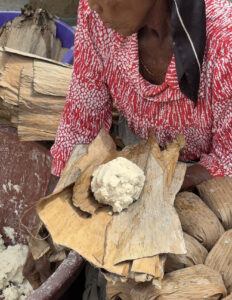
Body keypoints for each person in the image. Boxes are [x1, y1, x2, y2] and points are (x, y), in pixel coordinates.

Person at [50, 0, 232, 192]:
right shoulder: (95, 17)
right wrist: (54, 198)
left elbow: (227, 159)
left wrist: (151, 188)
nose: (92, 5)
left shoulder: (224, 41)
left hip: (210, 174)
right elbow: (80, 122)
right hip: (139, 151)